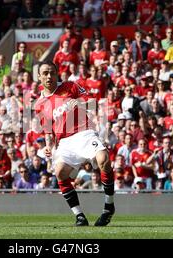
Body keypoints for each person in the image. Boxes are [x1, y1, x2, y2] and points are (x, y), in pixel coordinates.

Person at [35, 61, 115, 227]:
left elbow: (92, 102)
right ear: (39, 77)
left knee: (104, 159)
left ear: (57, 74)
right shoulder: (39, 104)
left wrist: (79, 103)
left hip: (84, 132)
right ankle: (79, 216)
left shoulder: (70, 86)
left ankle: (109, 206)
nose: (49, 76)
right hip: (64, 142)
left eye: (52, 72)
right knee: (60, 173)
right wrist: (49, 146)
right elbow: (48, 130)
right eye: (45, 73)